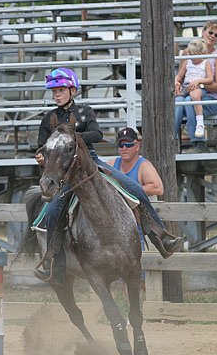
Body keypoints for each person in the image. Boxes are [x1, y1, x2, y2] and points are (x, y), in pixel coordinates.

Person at [33, 68, 183, 282]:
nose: (56, 94)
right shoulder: (49, 119)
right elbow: (42, 146)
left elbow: (97, 134)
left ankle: (160, 237)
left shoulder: (85, 111)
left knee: (135, 188)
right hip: (65, 171)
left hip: (92, 163)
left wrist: (72, 137)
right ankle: (50, 261)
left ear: (72, 90)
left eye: (60, 90)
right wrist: (41, 156)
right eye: (54, 91)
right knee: (54, 208)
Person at [174, 21, 217, 153]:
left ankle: (198, 143)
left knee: (190, 100)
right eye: (210, 32)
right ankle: (171, 139)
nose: (213, 36)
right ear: (203, 32)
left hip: (209, 98)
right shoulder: (187, 52)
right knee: (181, 101)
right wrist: (178, 85)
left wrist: (199, 85)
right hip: (189, 94)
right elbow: (181, 76)